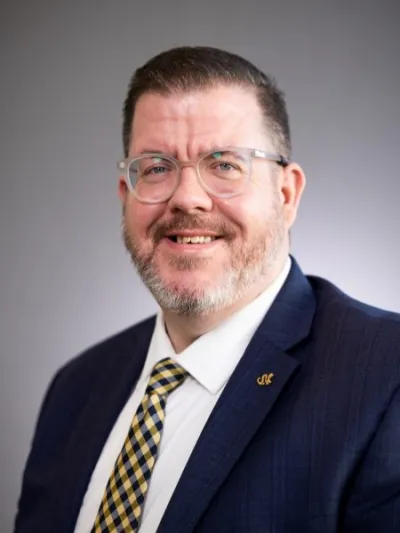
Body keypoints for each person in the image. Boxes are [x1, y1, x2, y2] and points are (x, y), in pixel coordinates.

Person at [14, 46, 400, 533]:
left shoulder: (385, 374)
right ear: (126, 195)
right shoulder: (76, 388)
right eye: (155, 167)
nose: (188, 198)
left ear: (286, 194)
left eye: (224, 164)